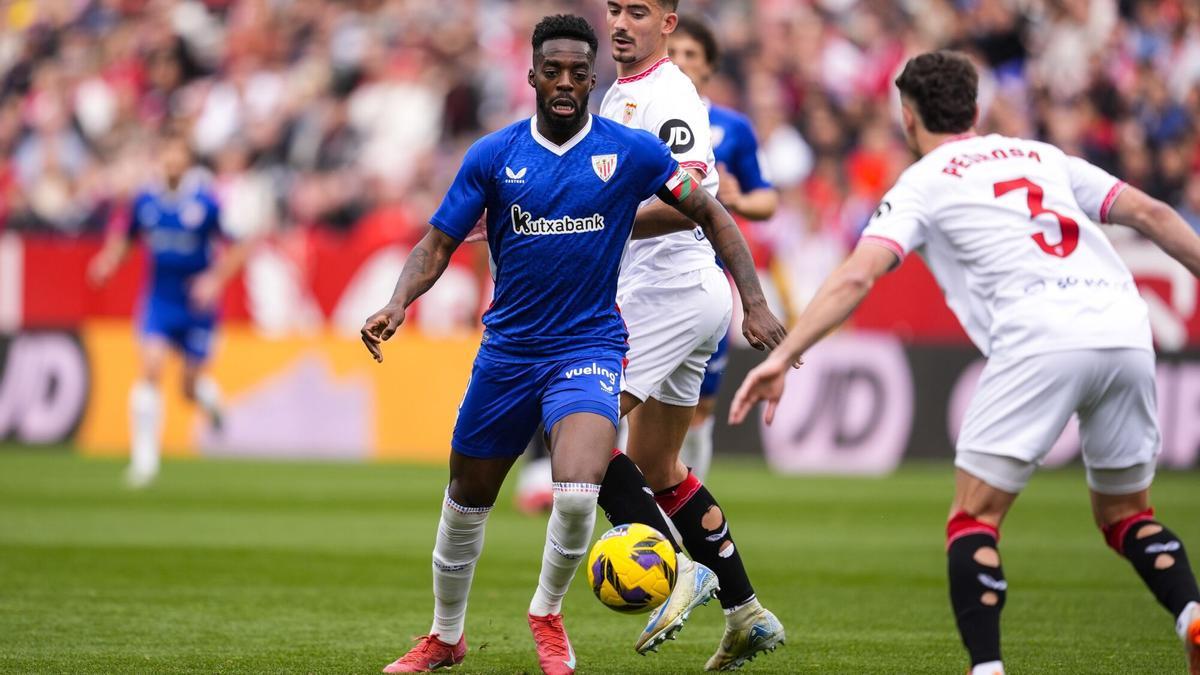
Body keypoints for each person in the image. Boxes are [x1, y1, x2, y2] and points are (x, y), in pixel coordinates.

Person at [729, 51, 1200, 675]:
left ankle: (986, 669)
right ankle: (1192, 615)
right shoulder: (1042, 156)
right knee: (1127, 516)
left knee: (974, 518)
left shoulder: (925, 181)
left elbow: (857, 277)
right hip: (1124, 329)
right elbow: (1155, 215)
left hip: (1039, 336)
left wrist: (784, 354)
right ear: (975, 109)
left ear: (907, 115)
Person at [361, 15, 778, 675]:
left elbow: (711, 209)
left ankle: (548, 614)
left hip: (588, 344)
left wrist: (754, 302)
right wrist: (396, 302)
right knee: (466, 499)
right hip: (507, 353)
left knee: (580, 484)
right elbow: (438, 240)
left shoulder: (632, 149)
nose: (563, 82)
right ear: (530, 75)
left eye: (576, 73)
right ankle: (445, 635)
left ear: (591, 79)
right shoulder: (493, 156)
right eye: (551, 70)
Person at [590, 1, 787, 669]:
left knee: (579, 434)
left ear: (668, 24)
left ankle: (674, 569)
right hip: (681, 295)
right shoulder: (620, 92)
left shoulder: (670, 92)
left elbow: (696, 195)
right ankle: (746, 610)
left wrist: (598, 220)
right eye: (613, 8)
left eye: (637, 12)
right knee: (658, 469)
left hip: (665, 296)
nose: (619, 22)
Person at [88, 134, 249, 488]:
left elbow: (237, 248)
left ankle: (210, 401)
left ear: (188, 161)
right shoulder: (145, 199)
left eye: (178, 157)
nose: (172, 163)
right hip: (160, 301)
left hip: (196, 307)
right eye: (167, 156)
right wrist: (108, 261)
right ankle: (144, 461)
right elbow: (125, 236)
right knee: (150, 369)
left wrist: (212, 280)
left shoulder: (207, 201)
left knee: (187, 389)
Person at [668, 13, 778, 481]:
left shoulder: (732, 128)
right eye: (672, 53)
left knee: (699, 406)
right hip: (640, 276)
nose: (679, 62)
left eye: (690, 55)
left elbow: (767, 198)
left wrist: (736, 201)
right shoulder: (638, 114)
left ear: (710, 68)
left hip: (707, 279)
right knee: (628, 402)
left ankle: (686, 510)